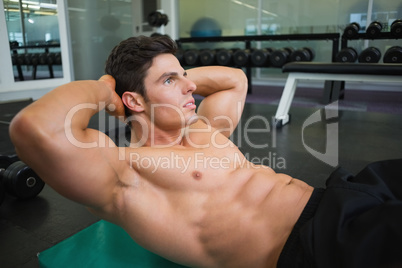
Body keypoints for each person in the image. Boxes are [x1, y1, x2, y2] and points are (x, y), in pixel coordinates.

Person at [9, 35, 402, 268]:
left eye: (185, 76)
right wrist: (105, 90)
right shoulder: (126, 173)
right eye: (171, 80)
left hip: (344, 195)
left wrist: (170, 79)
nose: (190, 87)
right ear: (133, 99)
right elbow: (35, 129)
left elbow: (235, 80)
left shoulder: (202, 128)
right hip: (317, 245)